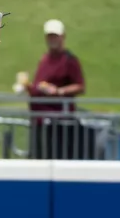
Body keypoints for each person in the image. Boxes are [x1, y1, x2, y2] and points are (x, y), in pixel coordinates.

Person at [18, 19, 89, 159]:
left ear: (63, 37)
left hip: (58, 123)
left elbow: (80, 86)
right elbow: (40, 84)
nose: (52, 40)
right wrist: (29, 87)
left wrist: (59, 91)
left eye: (55, 36)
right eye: (50, 36)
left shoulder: (69, 60)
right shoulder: (45, 59)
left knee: (54, 158)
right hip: (39, 120)